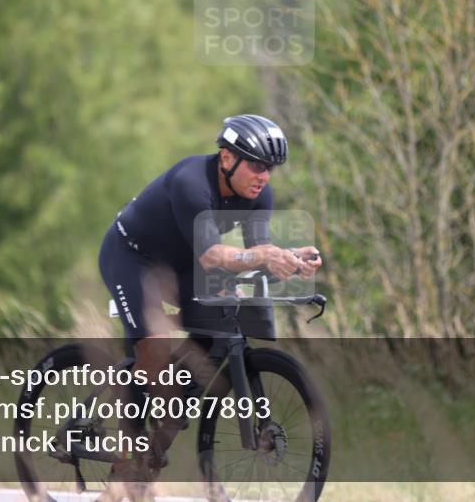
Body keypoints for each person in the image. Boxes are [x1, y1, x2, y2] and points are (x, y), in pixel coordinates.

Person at [97, 114, 322, 491]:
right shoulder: (191, 183)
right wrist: (266, 256)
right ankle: (125, 460)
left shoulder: (259, 195)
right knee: (153, 349)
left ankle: (156, 443)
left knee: (214, 337)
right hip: (132, 257)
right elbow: (214, 256)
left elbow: (256, 252)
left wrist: (290, 259)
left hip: (185, 263)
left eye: (270, 168)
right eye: (256, 165)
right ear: (226, 158)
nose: (264, 176)